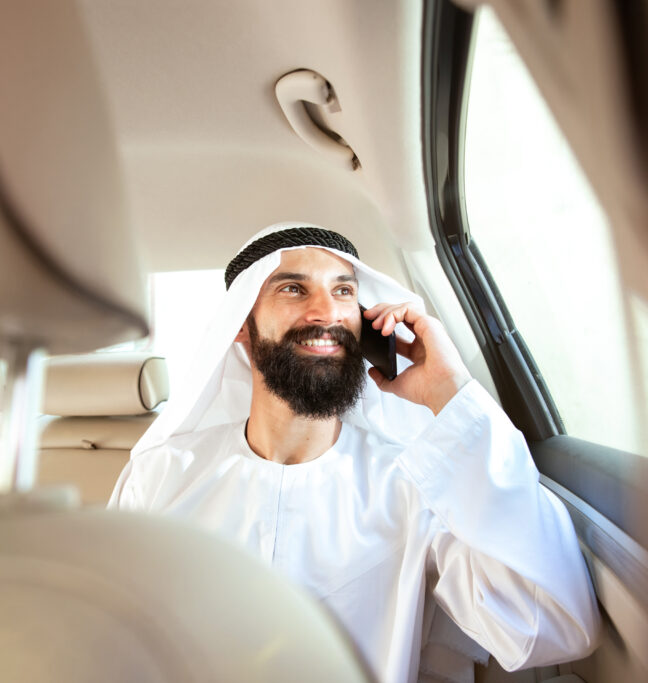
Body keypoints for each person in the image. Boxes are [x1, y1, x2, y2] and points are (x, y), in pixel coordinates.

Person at [110, 223, 600, 682]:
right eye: (293, 289)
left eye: (344, 290)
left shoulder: (413, 484)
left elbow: (550, 626)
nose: (327, 313)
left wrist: (449, 390)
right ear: (240, 324)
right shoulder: (162, 475)